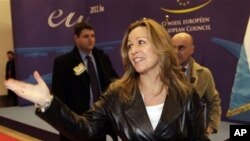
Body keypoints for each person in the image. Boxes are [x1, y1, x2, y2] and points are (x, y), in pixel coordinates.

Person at [5, 18, 209, 141]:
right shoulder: (117, 94)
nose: (133, 51)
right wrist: (47, 102)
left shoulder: (185, 94)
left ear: (160, 46)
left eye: (140, 42)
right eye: (129, 46)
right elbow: (85, 129)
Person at [51, 21, 118, 141]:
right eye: (86, 36)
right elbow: (58, 96)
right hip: (76, 122)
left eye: (93, 36)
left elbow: (114, 83)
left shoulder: (102, 58)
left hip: (99, 120)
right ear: (76, 38)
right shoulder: (63, 63)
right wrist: (65, 122)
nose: (91, 39)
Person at [172, 32, 222, 136]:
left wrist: (210, 128)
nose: (176, 52)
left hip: (194, 133)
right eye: (173, 47)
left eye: (181, 48)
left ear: (192, 50)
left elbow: (214, 101)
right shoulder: (161, 73)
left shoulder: (204, 74)